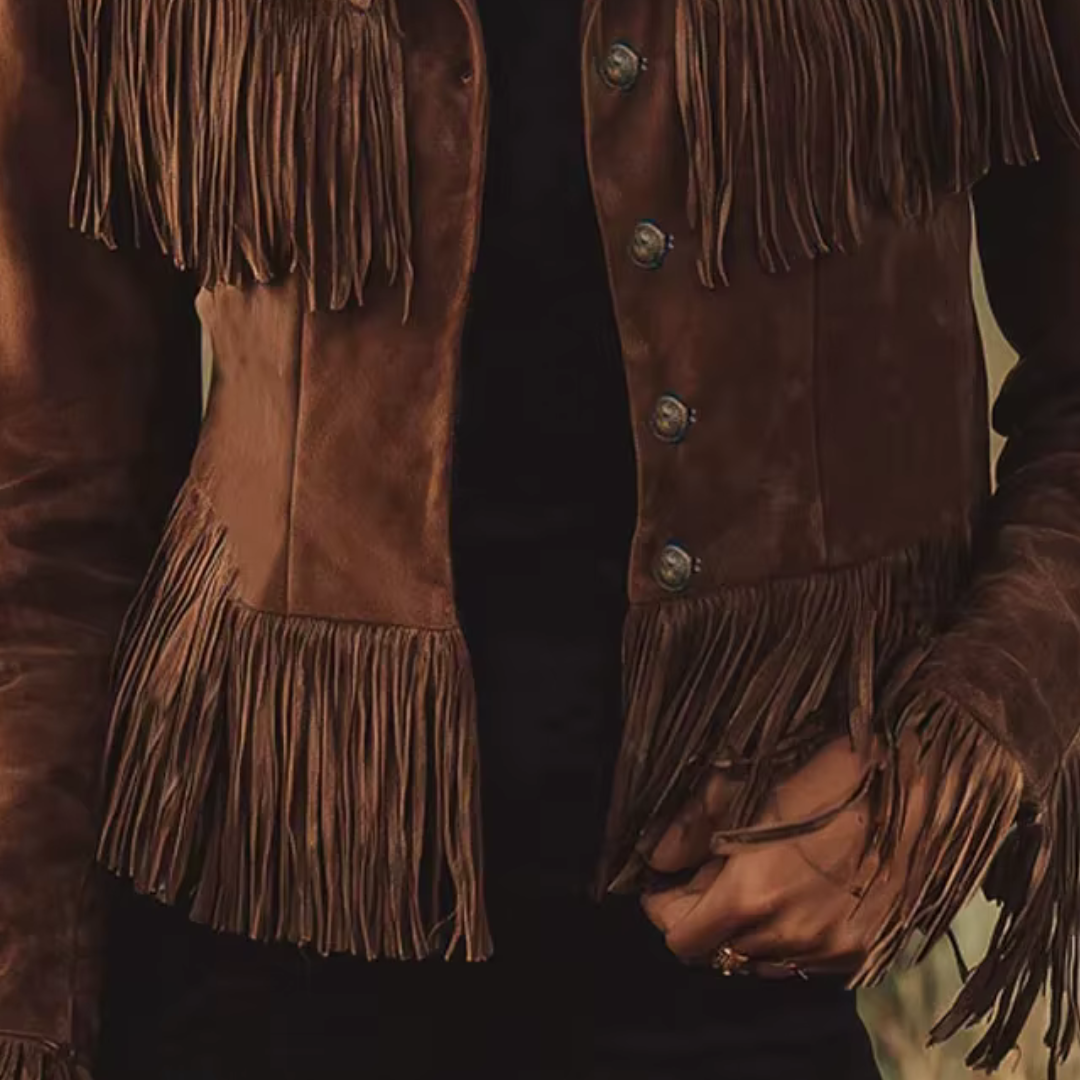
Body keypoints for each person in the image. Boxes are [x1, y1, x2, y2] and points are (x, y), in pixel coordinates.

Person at [2, 0, 1080, 1078]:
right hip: (249, 923)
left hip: (746, 932)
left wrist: (948, 763)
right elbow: (49, 499)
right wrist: (30, 1010)